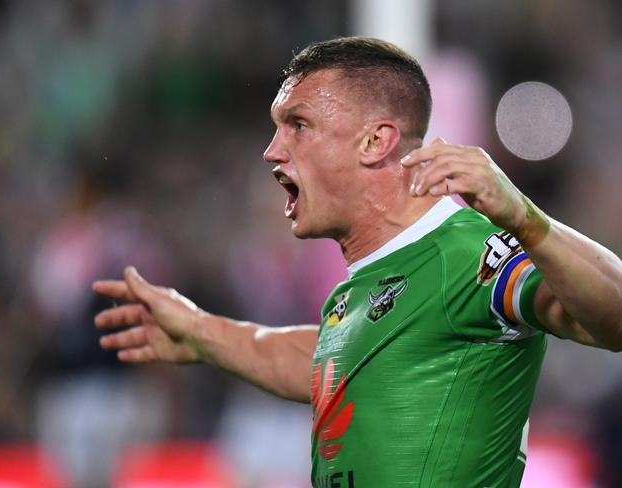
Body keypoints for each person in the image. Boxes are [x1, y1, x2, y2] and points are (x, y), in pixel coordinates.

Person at [93, 37, 622, 487]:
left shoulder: (470, 254)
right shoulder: (356, 292)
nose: (272, 150)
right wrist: (197, 331)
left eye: (297, 125)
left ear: (375, 141)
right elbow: (317, 360)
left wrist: (527, 221)